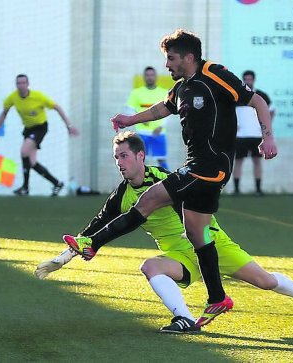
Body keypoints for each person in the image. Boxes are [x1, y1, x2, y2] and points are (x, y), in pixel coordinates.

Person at [62, 29, 277, 327]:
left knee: (148, 199)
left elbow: (258, 103)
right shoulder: (183, 87)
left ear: (189, 57)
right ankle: (217, 299)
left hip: (208, 166)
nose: (167, 65)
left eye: (171, 58)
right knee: (197, 236)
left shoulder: (214, 74)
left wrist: (267, 138)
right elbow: (163, 108)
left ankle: (92, 243)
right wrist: (130, 119)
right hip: (201, 167)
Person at [35, 132, 293, 333]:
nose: (120, 163)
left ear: (141, 156)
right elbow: (93, 230)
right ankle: (185, 318)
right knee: (150, 266)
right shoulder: (121, 195)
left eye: (124, 156)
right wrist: (63, 258)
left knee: (265, 281)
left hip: (209, 241)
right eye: (116, 158)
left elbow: (191, 206)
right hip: (180, 254)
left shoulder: (164, 179)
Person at [0, 74, 79, 196]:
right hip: (28, 129)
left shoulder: (38, 97)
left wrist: (69, 126)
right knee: (32, 162)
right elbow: (3, 114)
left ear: (28, 84)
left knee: (23, 151)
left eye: (23, 83)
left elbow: (57, 107)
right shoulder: (12, 98)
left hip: (40, 128)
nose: (21, 85)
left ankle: (25, 188)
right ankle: (57, 183)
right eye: (18, 83)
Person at [233, 70, 275, 196]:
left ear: (253, 80)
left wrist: (266, 126)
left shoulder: (261, 95)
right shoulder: (236, 95)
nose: (248, 81)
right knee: (238, 161)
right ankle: (236, 189)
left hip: (256, 135)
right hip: (240, 136)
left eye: (250, 79)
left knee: (257, 161)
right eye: (246, 79)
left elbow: (271, 110)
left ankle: (258, 189)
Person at [126, 66, 169, 169]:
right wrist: (140, 119)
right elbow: (130, 109)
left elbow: (169, 111)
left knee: (161, 159)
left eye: (152, 75)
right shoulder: (136, 93)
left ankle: (168, 182)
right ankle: (142, 182)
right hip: (142, 133)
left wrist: (161, 126)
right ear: (144, 77)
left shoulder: (164, 92)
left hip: (158, 132)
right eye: (147, 75)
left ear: (156, 76)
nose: (150, 77)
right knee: (140, 159)